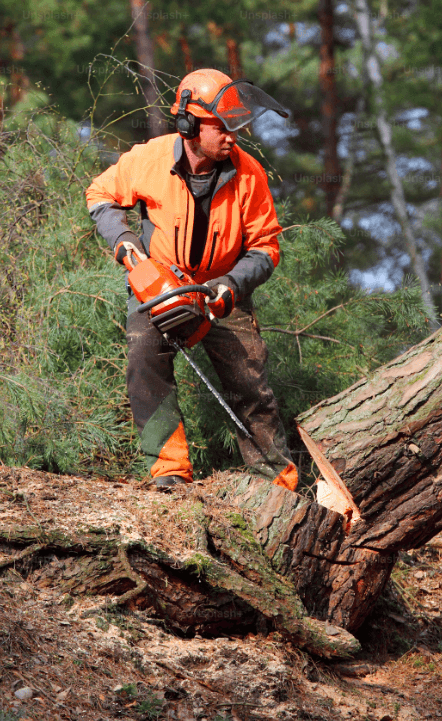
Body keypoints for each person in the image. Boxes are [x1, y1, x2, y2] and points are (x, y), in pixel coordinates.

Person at [86, 69, 298, 491]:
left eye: (236, 126)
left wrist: (233, 284)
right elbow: (99, 195)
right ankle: (169, 471)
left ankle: (276, 482)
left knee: (250, 383)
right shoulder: (149, 158)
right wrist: (125, 242)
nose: (232, 137)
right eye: (221, 127)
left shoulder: (249, 174)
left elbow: (266, 248)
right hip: (161, 279)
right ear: (188, 124)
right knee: (144, 359)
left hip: (222, 288)